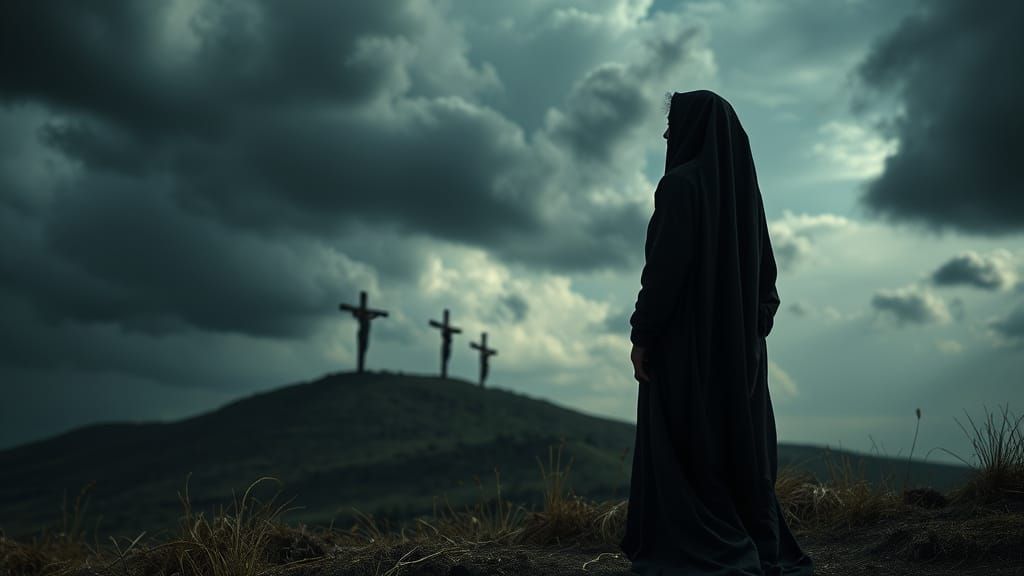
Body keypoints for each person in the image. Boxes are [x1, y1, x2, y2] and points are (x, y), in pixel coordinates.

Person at [619, 90, 814, 576]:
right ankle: (751, 539)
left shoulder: (679, 188)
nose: (666, 134)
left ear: (692, 128)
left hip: (686, 353)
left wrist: (643, 336)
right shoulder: (745, 196)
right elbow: (768, 283)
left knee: (688, 447)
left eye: (672, 123)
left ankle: (694, 542)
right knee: (735, 446)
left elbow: (663, 275)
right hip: (742, 356)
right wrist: (748, 334)